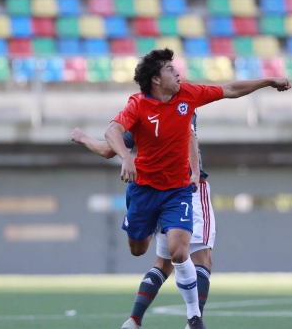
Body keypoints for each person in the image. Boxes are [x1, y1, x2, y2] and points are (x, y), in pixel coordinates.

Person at [105, 48, 290, 329]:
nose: (178, 73)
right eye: (170, 69)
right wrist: (123, 157)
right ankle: (136, 319)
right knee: (139, 250)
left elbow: (229, 89)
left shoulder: (188, 96)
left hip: (179, 190)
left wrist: (267, 81)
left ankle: (193, 318)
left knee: (180, 253)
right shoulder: (138, 106)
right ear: (155, 79)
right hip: (144, 190)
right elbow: (111, 135)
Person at [71, 109, 214, 329]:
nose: (176, 78)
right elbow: (189, 137)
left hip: (156, 191)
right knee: (200, 257)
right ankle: (194, 321)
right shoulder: (180, 105)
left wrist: (84, 137)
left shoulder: (144, 114)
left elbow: (108, 149)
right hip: (186, 191)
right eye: (169, 72)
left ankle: (134, 320)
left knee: (164, 262)